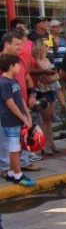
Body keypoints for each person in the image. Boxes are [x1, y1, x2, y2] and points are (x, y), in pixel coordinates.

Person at [0, 30, 41, 174]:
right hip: (6, 107)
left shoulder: (20, 59)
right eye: (17, 44)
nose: (20, 47)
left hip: (21, 102)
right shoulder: (2, 61)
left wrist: (32, 94)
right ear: (6, 44)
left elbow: (27, 77)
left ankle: (23, 162)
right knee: (6, 139)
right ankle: (5, 167)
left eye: (21, 44)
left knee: (22, 135)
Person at [0, 53, 35, 187]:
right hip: (10, 120)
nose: (20, 67)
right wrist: (23, 117)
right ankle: (18, 175)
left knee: (17, 147)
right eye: (18, 65)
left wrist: (27, 115)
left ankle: (12, 172)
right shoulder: (3, 82)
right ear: (11, 66)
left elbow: (20, 99)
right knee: (14, 149)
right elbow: (10, 103)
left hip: (19, 119)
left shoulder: (13, 80)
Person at [30, 39, 64, 155]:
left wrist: (54, 76)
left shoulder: (46, 60)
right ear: (40, 47)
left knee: (49, 120)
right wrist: (56, 76)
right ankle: (44, 144)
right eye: (45, 45)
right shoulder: (38, 61)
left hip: (50, 90)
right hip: (43, 91)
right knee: (45, 120)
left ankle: (50, 143)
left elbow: (53, 76)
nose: (48, 47)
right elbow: (49, 78)